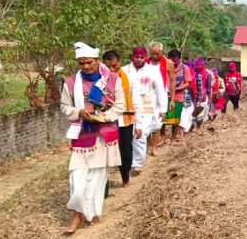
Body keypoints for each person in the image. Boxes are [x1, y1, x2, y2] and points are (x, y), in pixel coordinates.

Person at [60, 42, 123, 233]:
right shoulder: (71, 82)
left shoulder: (112, 79)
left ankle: (91, 212)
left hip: (104, 134)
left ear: (97, 60)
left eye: (89, 62)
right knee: (77, 179)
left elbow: (120, 106)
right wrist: (80, 112)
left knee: (97, 178)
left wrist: (103, 116)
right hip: (82, 134)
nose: (86, 66)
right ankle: (78, 213)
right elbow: (64, 107)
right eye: (81, 63)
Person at [123, 47, 167, 172]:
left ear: (145, 57)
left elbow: (160, 89)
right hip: (128, 107)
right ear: (132, 57)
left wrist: (163, 109)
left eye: (142, 57)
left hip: (146, 106)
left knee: (140, 134)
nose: (139, 60)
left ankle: (138, 163)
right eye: (136, 57)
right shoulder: (124, 70)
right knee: (128, 135)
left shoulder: (152, 71)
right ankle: (129, 160)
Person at [102, 50, 135, 188]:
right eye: (108, 66)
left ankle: (125, 176)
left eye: (114, 66)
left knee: (126, 152)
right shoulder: (99, 79)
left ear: (119, 63)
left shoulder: (128, 78)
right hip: (105, 120)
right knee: (104, 153)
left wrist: (138, 123)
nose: (111, 70)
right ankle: (103, 184)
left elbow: (135, 99)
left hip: (125, 120)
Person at [145, 42, 175, 154]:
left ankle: (154, 147)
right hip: (147, 96)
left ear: (162, 52)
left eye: (157, 53)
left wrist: (172, 100)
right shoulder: (145, 62)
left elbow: (172, 81)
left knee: (158, 123)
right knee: (146, 121)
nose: (155, 56)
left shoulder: (168, 63)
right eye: (153, 53)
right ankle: (147, 146)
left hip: (160, 96)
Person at [164, 49, 193, 142]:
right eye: (172, 60)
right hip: (165, 96)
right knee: (162, 117)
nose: (174, 63)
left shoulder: (185, 68)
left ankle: (173, 138)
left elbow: (188, 83)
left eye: (176, 61)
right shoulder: (164, 68)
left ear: (180, 59)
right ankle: (162, 137)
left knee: (176, 119)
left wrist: (175, 89)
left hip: (178, 96)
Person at [193, 57, 212, 130]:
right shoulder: (192, 72)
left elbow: (209, 88)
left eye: (199, 65)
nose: (197, 67)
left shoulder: (207, 74)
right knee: (192, 114)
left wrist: (209, 100)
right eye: (196, 65)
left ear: (203, 65)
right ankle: (191, 128)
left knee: (200, 115)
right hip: (192, 97)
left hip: (202, 97)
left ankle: (199, 129)